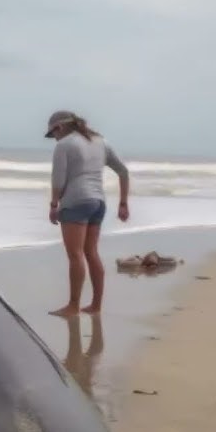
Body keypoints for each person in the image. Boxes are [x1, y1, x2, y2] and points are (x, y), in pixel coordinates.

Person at [44, 110, 130, 317]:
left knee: (75, 256)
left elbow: (58, 180)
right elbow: (123, 171)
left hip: (75, 202)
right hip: (98, 202)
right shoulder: (101, 142)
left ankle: (73, 306)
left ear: (60, 127)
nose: (54, 138)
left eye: (52, 134)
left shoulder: (64, 145)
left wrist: (54, 204)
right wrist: (123, 203)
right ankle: (96, 305)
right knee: (91, 253)